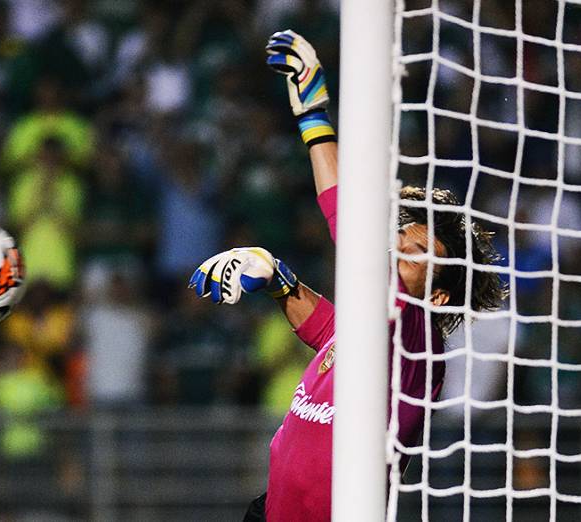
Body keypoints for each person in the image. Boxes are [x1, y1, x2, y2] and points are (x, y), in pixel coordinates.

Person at [188, 30, 508, 521]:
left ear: (440, 297)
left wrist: (314, 118)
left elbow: (349, 224)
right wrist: (276, 277)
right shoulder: (368, 330)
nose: (397, 249)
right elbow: (324, 327)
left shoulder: (417, 345)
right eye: (400, 239)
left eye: (417, 252)